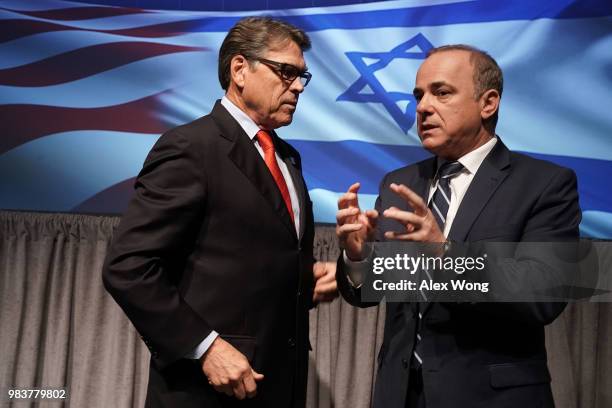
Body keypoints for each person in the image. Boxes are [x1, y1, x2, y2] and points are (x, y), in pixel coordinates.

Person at [103, 17, 337, 408]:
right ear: (240, 69)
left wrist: (307, 276)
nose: (297, 86)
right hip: (205, 390)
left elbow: (249, 264)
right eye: (286, 72)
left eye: (302, 76)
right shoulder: (191, 147)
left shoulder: (287, 158)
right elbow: (128, 267)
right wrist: (205, 347)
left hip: (280, 386)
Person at [335, 45, 581, 408]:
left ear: (489, 103)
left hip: (489, 398)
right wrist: (358, 258)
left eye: (441, 92)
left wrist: (445, 254)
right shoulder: (398, 183)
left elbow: (543, 296)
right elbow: (370, 293)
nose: (422, 107)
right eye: (419, 95)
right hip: (399, 395)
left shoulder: (545, 184)